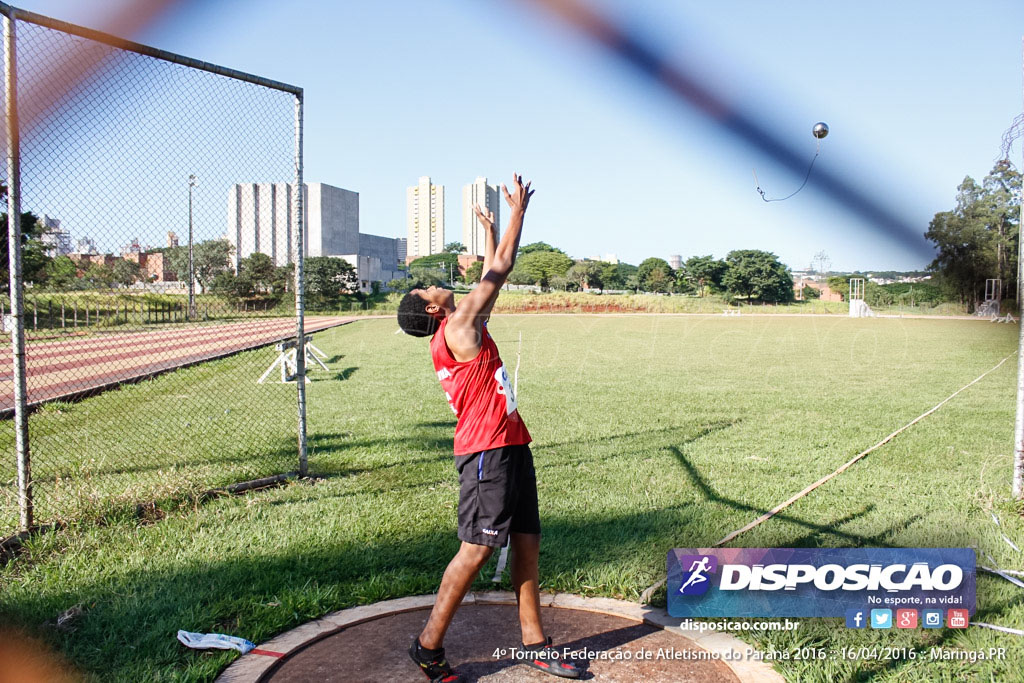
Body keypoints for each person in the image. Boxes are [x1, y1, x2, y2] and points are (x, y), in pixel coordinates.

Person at [397, 174, 581, 682]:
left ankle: (535, 643)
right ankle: (428, 646)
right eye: (428, 287)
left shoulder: (462, 325)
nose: (436, 281)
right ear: (433, 310)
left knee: (526, 543)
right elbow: (500, 268)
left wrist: (489, 228)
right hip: (487, 451)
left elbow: (486, 272)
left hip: (511, 443)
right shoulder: (457, 327)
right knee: (477, 550)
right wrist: (520, 212)